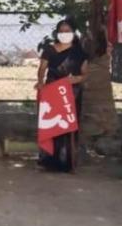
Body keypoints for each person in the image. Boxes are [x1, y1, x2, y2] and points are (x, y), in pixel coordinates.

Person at [34, 19, 88, 172]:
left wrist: (77, 79)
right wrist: (40, 82)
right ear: (57, 33)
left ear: (73, 32)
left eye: (67, 31)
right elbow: (42, 68)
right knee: (51, 124)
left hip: (71, 93)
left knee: (68, 126)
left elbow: (85, 74)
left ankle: (68, 162)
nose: (64, 34)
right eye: (61, 31)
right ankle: (48, 160)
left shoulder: (79, 52)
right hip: (52, 91)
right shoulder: (49, 50)